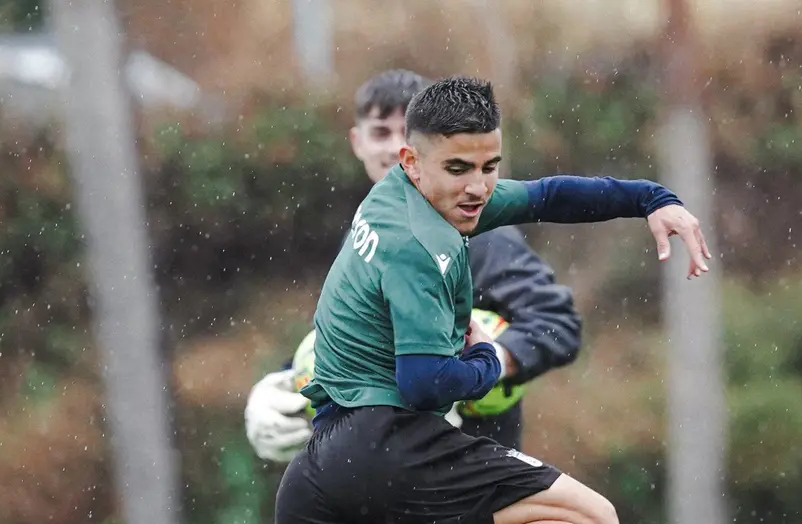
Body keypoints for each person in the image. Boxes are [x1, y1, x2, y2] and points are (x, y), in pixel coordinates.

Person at [275, 75, 711, 524]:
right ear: (411, 161)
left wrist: (652, 199)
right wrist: (487, 358)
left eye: (489, 167)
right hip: (386, 450)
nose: (479, 188)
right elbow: (422, 382)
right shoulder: (420, 249)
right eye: (459, 168)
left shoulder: (398, 197)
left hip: (319, 468)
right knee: (592, 516)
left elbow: (549, 196)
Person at [244, 69, 583, 462]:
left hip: (472, 475)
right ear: (357, 142)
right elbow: (354, 334)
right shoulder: (370, 224)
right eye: (380, 132)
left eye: (407, 132)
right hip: (379, 473)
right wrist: (284, 383)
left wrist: (472, 374)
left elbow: (557, 323)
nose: (394, 147)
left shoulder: (475, 229)